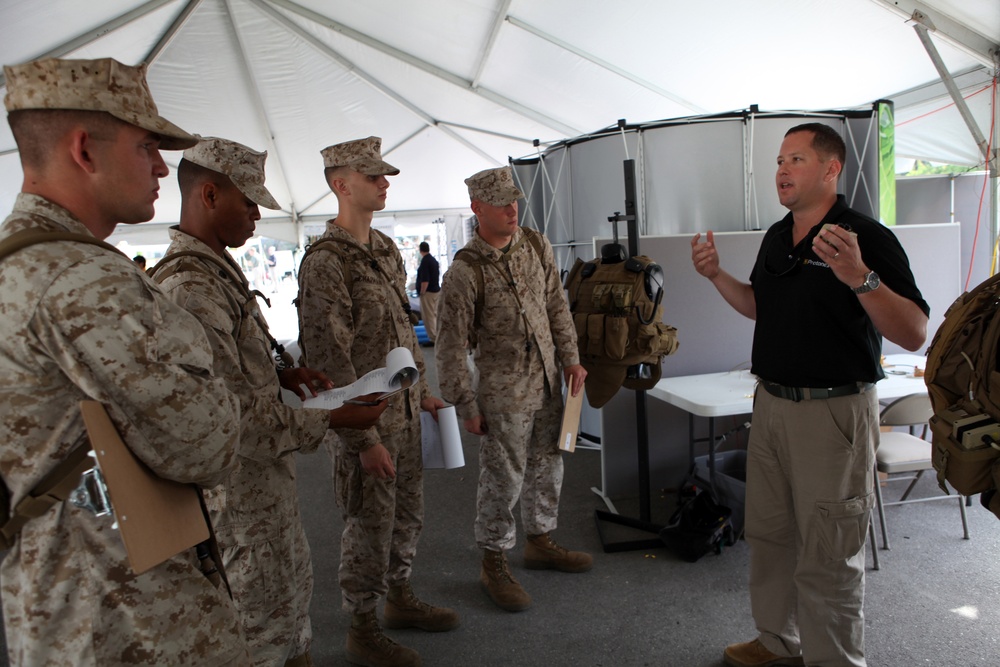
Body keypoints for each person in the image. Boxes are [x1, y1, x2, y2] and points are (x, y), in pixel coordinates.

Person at [0, 57, 250, 665]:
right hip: (129, 612)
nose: (163, 166)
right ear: (84, 150)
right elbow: (207, 443)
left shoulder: (19, 262)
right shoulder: (81, 278)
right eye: (146, 146)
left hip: (63, 597)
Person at [690, 122, 929, 667]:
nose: (781, 170)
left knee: (828, 551)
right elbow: (759, 306)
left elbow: (914, 331)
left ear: (831, 168)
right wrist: (715, 276)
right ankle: (777, 642)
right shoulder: (778, 236)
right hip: (771, 405)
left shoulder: (864, 237)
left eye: (795, 159)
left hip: (833, 413)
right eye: (778, 160)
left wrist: (860, 276)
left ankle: (835, 661)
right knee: (771, 535)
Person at [151, 136, 388, 667]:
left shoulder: (218, 273)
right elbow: (226, 417)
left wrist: (286, 373)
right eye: (248, 201)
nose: (258, 214)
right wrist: (334, 417)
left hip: (262, 497)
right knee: (256, 638)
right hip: (235, 508)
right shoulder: (191, 289)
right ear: (208, 195)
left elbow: (241, 374)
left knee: (287, 621)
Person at [295, 136, 457, 667]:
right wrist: (362, 438)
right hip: (365, 422)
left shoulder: (385, 248)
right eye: (373, 177)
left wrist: (426, 393)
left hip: (405, 412)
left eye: (385, 176)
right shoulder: (324, 263)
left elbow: (405, 336)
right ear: (341, 185)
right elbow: (329, 361)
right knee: (368, 523)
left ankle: (399, 598)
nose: (385, 184)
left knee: (408, 515)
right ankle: (362, 625)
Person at [435, 166, 590, 614]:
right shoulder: (466, 270)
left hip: (545, 382)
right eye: (501, 202)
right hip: (503, 394)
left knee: (549, 462)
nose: (511, 208)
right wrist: (464, 403)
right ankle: (493, 559)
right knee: (504, 478)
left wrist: (571, 359)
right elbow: (449, 345)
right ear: (476, 208)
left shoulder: (536, 245)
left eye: (515, 200)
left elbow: (556, 305)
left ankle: (540, 540)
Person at [416, 241, 441, 344]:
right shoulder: (433, 260)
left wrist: (422, 292)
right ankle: (437, 336)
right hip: (436, 291)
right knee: (434, 314)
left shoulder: (425, 262)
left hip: (428, 292)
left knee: (428, 316)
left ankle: (433, 338)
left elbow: (425, 279)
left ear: (420, 250)